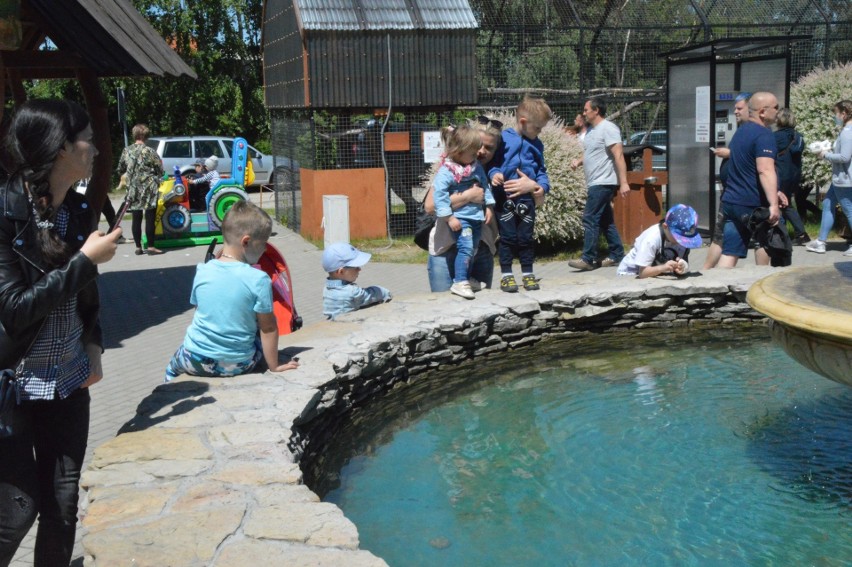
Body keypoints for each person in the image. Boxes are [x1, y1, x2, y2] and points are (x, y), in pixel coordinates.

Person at [0, 98, 121, 566]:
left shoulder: (79, 210)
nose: (95, 149)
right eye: (88, 138)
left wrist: (94, 343)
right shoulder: (6, 210)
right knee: (17, 508)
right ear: (61, 147)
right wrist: (86, 260)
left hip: (68, 380)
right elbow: (14, 310)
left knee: (62, 506)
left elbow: (85, 296)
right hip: (13, 384)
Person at [164, 201, 299, 381]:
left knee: (171, 368)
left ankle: (169, 385)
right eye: (264, 243)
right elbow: (268, 328)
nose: (266, 248)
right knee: (257, 333)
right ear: (246, 241)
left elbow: (201, 312)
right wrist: (274, 365)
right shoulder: (259, 279)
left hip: (194, 358)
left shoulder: (202, 270)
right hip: (238, 364)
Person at [488, 96, 551, 292]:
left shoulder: (536, 144)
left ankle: (527, 273)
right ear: (523, 122)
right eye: (538, 128)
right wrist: (494, 174)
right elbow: (492, 163)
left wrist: (542, 187)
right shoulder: (504, 139)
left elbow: (541, 170)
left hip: (527, 201)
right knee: (508, 238)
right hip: (505, 199)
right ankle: (507, 275)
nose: (539, 132)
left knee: (526, 237)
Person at [717, 91, 783, 268]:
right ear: (762, 111)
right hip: (752, 204)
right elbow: (765, 170)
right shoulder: (764, 135)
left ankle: (714, 289)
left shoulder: (741, 132)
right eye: (775, 107)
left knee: (730, 253)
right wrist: (773, 205)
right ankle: (760, 283)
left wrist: (776, 190)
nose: (778, 111)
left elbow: (747, 167)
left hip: (731, 202)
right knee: (767, 242)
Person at [569, 97, 630, 271]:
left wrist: (623, 182)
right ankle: (617, 255)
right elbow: (592, 153)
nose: (583, 113)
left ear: (596, 111)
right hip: (595, 182)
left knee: (590, 217)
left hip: (603, 182)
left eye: (586, 109)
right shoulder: (591, 131)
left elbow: (618, 155)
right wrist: (579, 161)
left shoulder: (608, 128)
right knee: (605, 221)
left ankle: (588, 258)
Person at [434, 125, 495, 299]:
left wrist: (489, 206)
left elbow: (485, 185)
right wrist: (449, 217)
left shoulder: (475, 168)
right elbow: (439, 197)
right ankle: (460, 281)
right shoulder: (447, 171)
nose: (478, 154)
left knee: (473, 248)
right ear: (459, 151)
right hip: (461, 219)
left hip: (476, 217)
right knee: (466, 247)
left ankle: (466, 278)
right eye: (473, 151)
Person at [705, 92, 751, 269]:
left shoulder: (756, 132)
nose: (736, 112)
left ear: (751, 108)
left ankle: (762, 274)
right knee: (720, 236)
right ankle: (706, 272)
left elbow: (755, 158)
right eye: (734, 108)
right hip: (730, 193)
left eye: (739, 108)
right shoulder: (741, 130)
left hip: (743, 195)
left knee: (759, 239)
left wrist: (728, 153)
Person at [806, 100, 852, 256]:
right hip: (841, 179)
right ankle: (821, 242)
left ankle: (821, 242)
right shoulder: (847, 131)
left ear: (844, 113)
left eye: (836, 113)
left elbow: (845, 157)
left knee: (849, 211)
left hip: (844, 180)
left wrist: (825, 154)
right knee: (827, 203)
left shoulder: (847, 133)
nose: (835, 117)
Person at [617, 204, 703, 278]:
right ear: (665, 226)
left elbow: (684, 262)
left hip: (656, 273)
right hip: (630, 275)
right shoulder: (651, 239)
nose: (682, 242)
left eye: (686, 239)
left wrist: (683, 267)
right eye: (679, 237)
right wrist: (663, 268)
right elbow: (642, 273)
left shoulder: (683, 241)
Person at [117, 124, 164, 255]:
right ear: (145, 136)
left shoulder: (127, 151)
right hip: (149, 188)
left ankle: (138, 247)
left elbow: (120, 168)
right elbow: (160, 171)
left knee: (136, 218)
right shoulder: (150, 151)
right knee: (150, 218)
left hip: (133, 189)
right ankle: (151, 247)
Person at [322, 242, 392, 320]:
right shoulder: (352, 292)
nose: (359, 269)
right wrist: (386, 293)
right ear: (341, 271)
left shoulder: (327, 288)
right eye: (355, 267)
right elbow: (374, 294)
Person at [774, 108, 809, 245]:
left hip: (780, 175)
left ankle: (780, 235)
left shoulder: (776, 137)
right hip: (794, 175)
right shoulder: (798, 136)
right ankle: (801, 234)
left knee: (776, 202)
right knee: (786, 203)